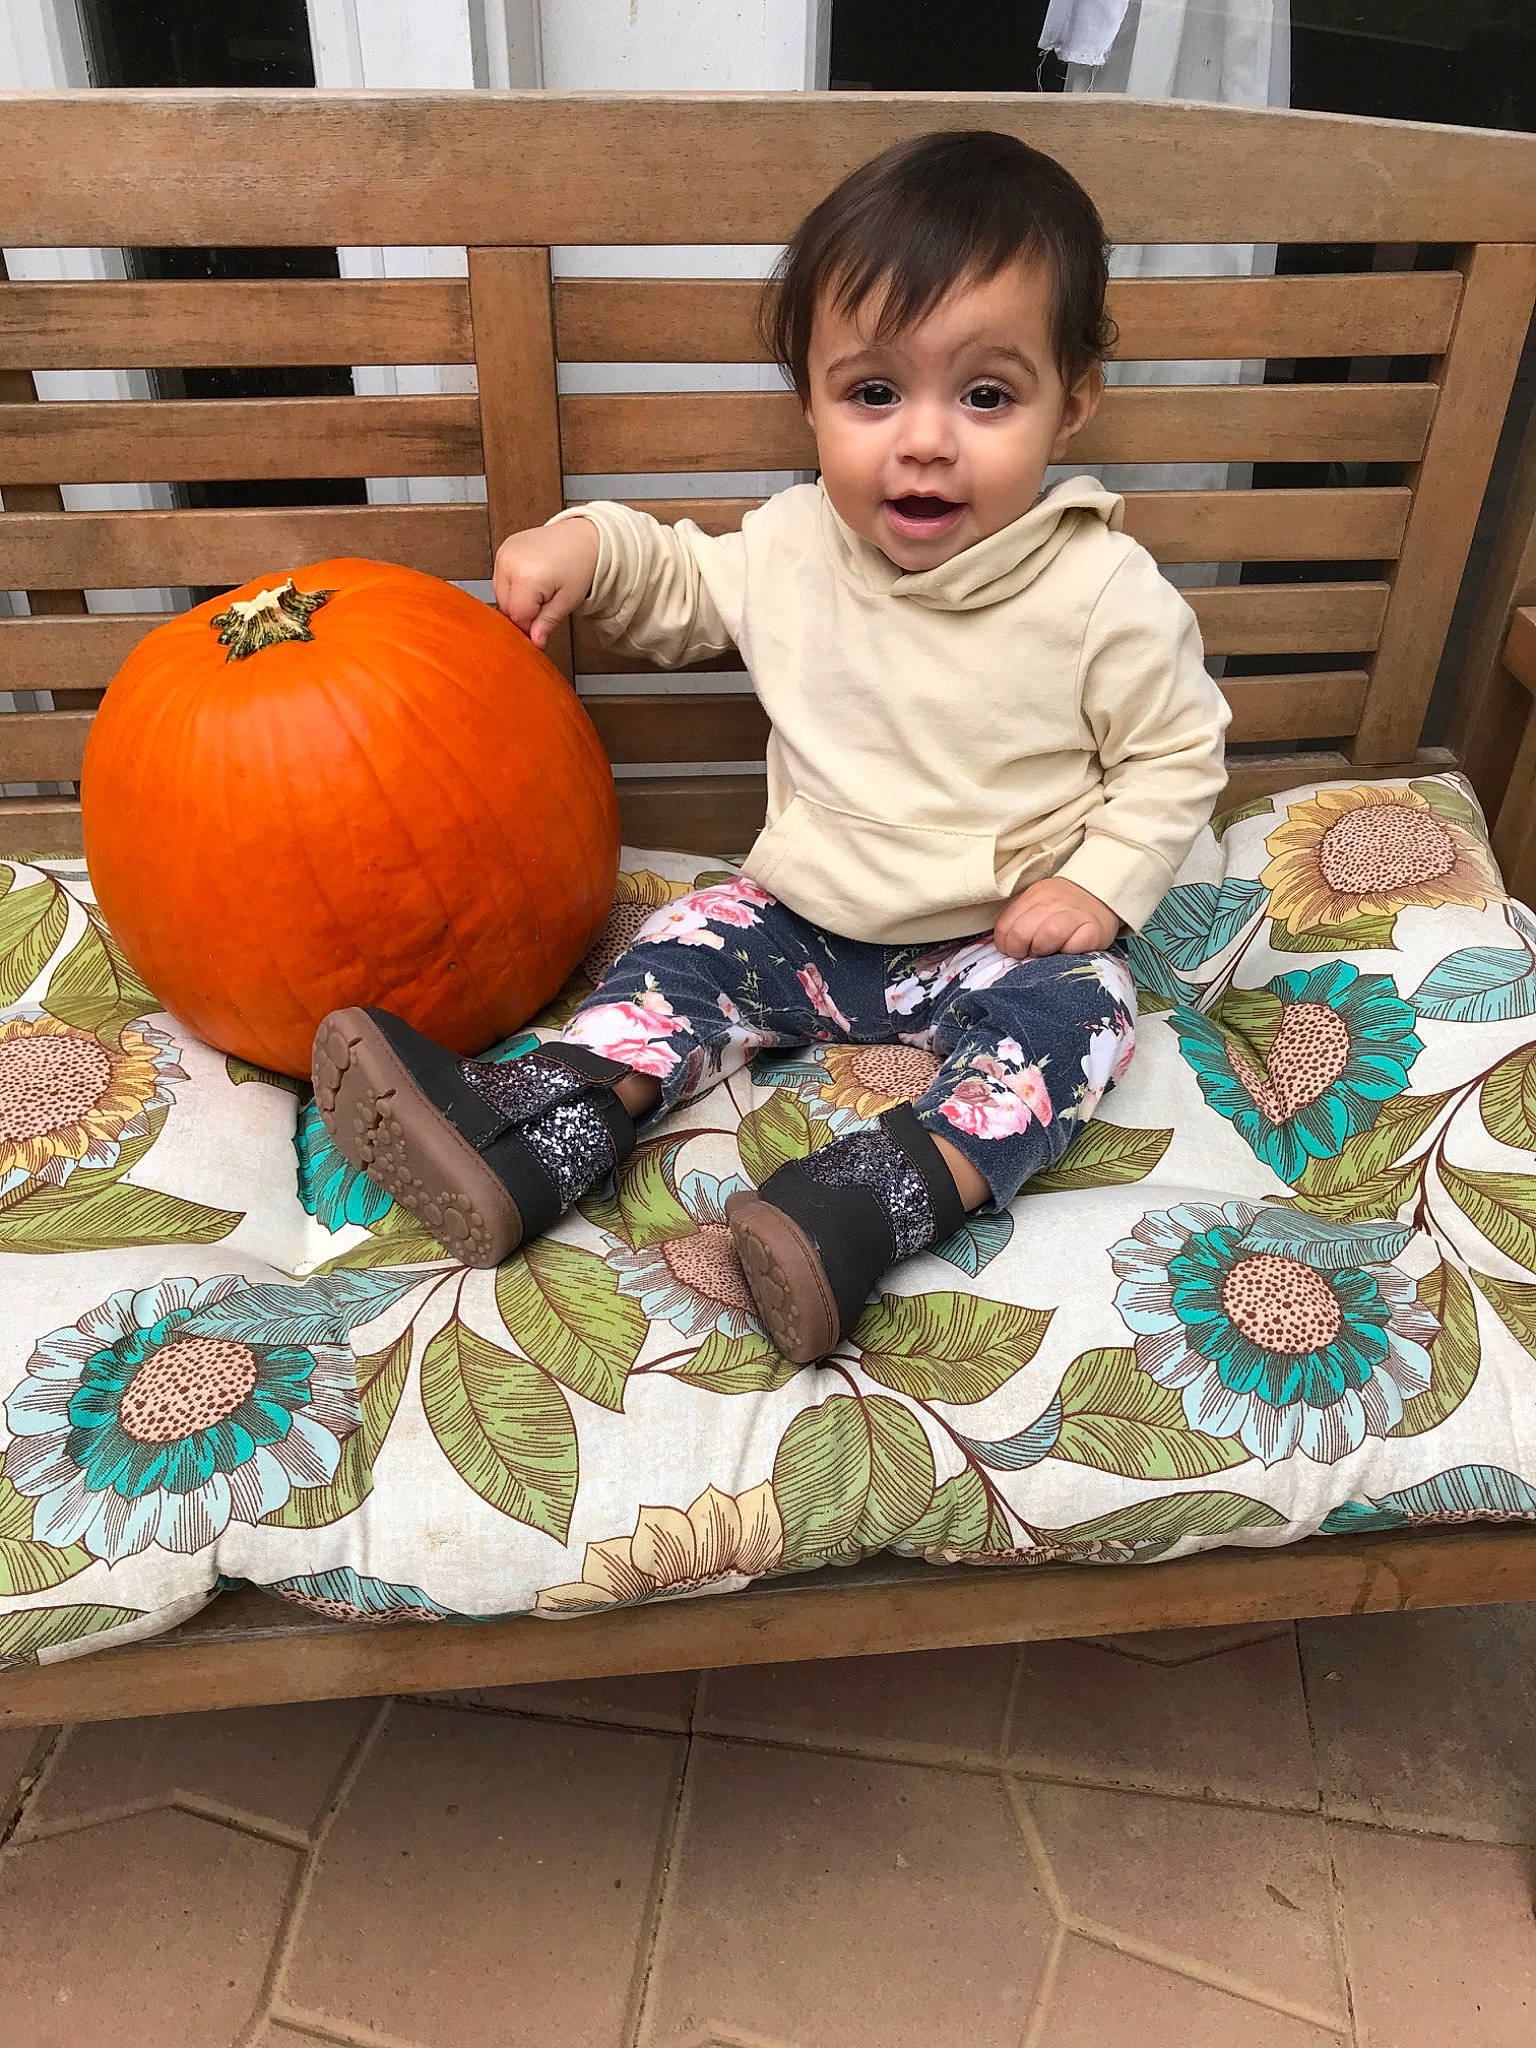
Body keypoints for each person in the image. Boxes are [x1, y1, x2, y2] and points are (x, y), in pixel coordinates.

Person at [310, 129, 1230, 1365]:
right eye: (874, 393)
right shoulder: (796, 545)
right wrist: (586, 546)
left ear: (1074, 402)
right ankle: (535, 1132)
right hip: (799, 923)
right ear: (811, 398)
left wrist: (1099, 885)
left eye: (986, 396)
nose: (924, 439)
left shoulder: (1102, 590)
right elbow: (681, 579)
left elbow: (1176, 754)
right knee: (684, 940)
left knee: (1087, 1017)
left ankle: (864, 1203)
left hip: (993, 937)